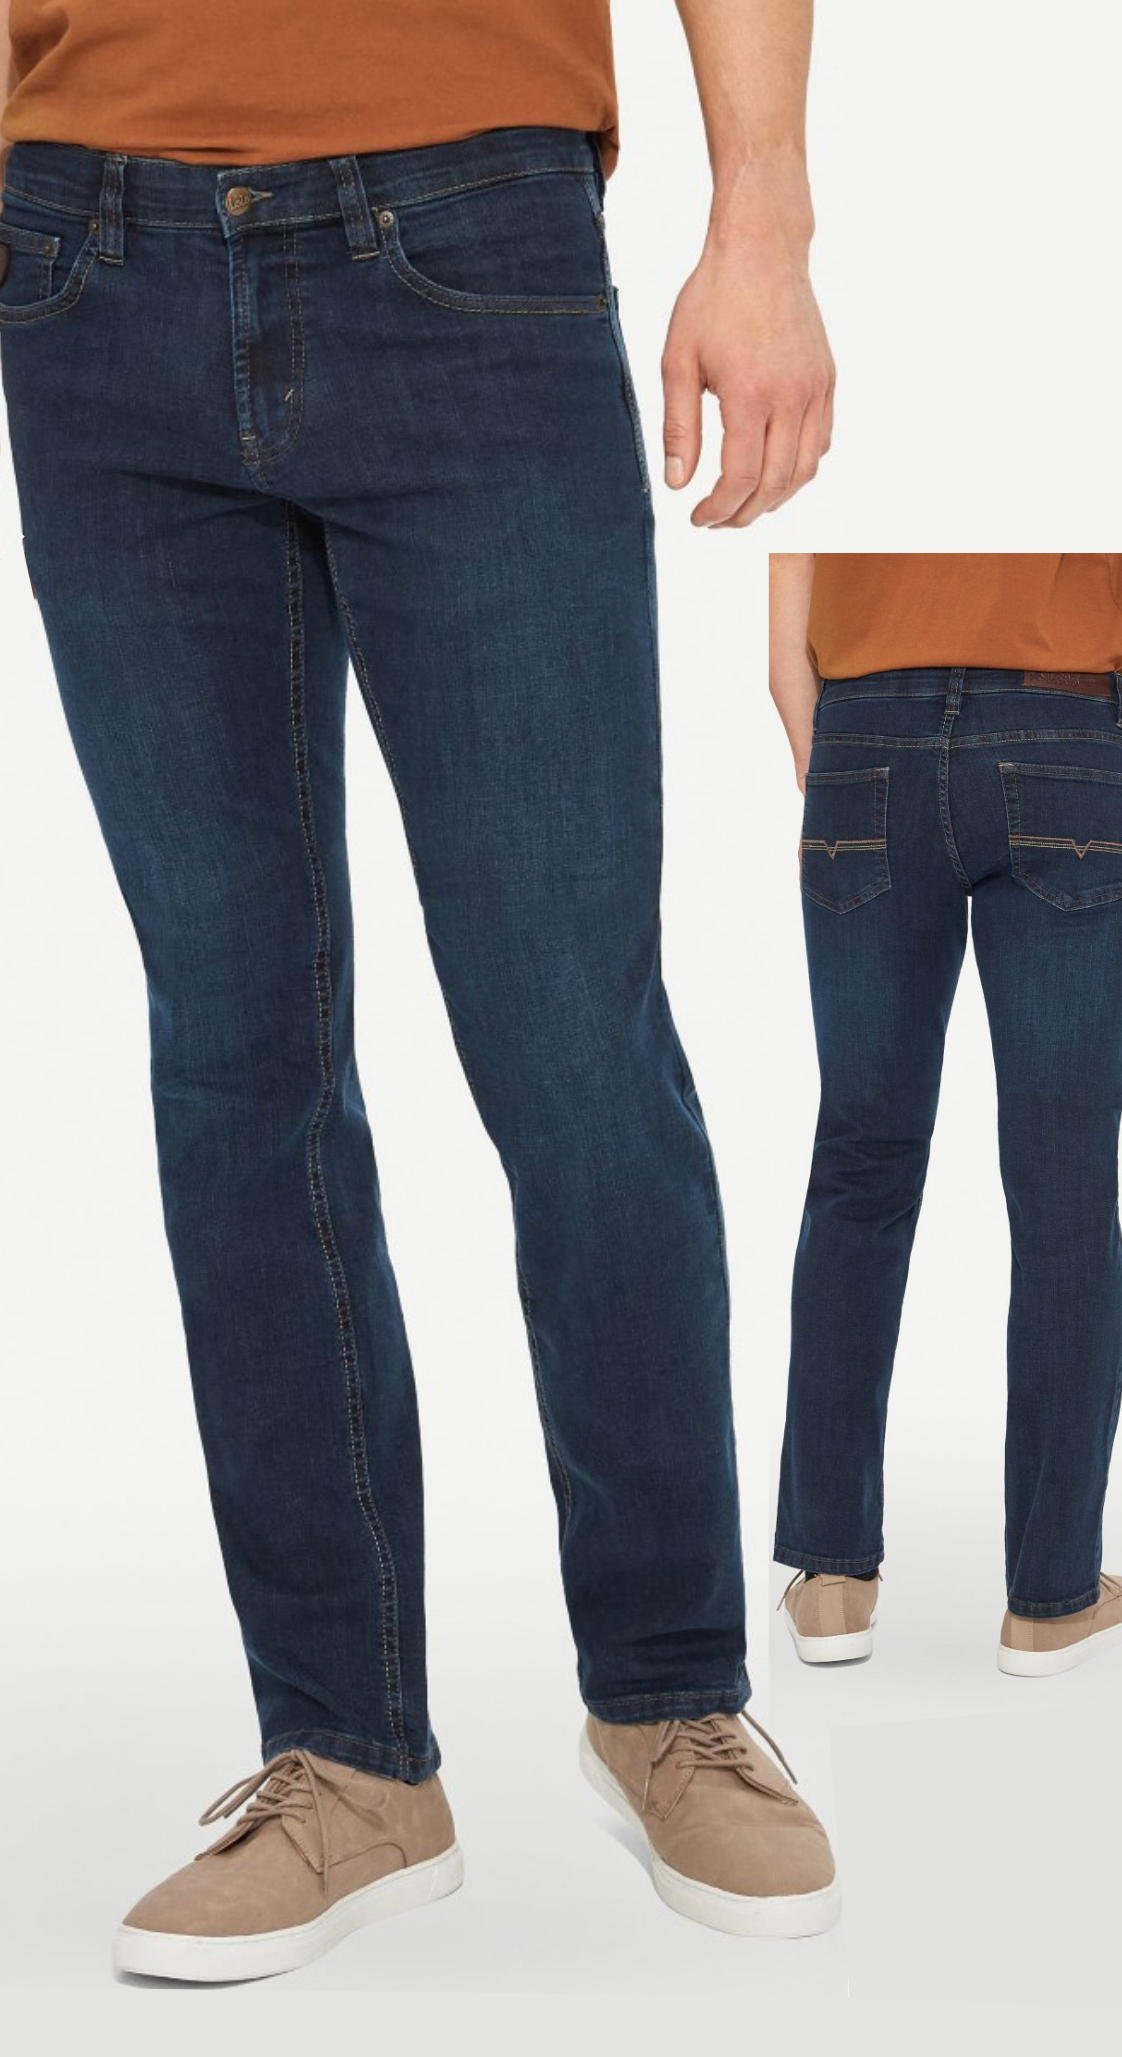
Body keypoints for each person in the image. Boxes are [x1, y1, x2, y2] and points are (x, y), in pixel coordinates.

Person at [0, 2, 838, 1980]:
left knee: (570, 1039)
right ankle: (349, 1758)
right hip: (82, 252)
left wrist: (764, 219)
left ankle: (668, 1695)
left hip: (465, 222)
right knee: (235, 1056)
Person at [770, 553, 1122, 1674]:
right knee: (1067, 1179)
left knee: (860, 1160)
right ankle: (1052, 1596)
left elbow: (788, 608)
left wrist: (825, 717)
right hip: (1065, 719)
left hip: (864, 721)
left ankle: (831, 1579)